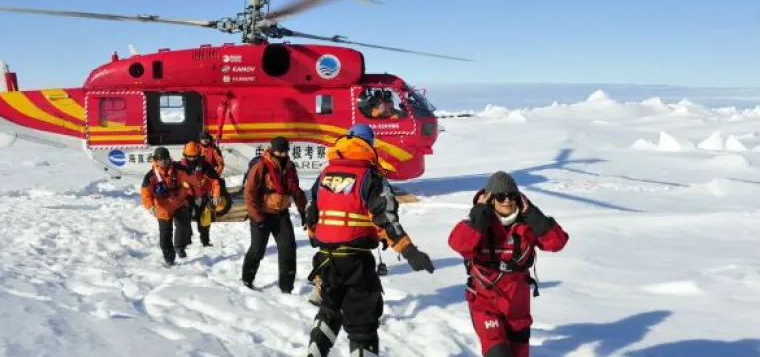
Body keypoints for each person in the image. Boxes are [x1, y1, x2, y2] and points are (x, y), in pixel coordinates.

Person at [303, 123, 435, 357]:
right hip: (356, 262)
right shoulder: (371, 177)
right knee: (363, 323)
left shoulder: (325, 174)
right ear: (369, 146)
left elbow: (311, 210)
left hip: (325, 259)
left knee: (329, 310)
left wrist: (315, 236)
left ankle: (315, 350)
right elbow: (386, 219)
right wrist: (409, 251)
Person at [448, 171, 569, 357]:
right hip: (485, 302)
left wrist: (534, 215)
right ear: (490, 199)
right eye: (500, 196)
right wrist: (478, 216)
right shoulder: (481, 224)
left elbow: (557, 243)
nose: (507, 201)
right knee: (498, 353)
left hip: (518, 305)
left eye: (512, 195)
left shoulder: (526, 225)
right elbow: (458, 244)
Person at [241, 136, 308, 293]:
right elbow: (249, 194)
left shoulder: (290, 167)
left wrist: (303, 210)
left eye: (286, 151)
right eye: (280, 151)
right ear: (273, 150)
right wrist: (257, 217)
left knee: (288, 248)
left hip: (281, 214)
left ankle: (286, 287)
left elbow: (296, 191)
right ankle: (247, 279)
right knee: (257, 250)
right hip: (262, 215)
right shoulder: (261, 166)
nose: (283, 155)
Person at [140, 147, 219, 266]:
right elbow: (145, 193)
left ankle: (179, 248)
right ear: (155, 160)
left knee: (183, 225)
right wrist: (150, 206)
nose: (164, 162)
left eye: (166, 159)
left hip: (179, 203)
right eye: (160, 160)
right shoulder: (151, 176)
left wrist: (198, 196)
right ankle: (169, 258)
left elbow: (193, 182)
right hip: (162, 208)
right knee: (165, 235)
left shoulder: (180, 169)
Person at [178, 141, 225, 247]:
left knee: (204, 219)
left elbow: (215, 181)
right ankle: (187, 241)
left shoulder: (205, 165)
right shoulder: (180, 166)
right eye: (189, 157)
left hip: (202, 195)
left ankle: (205, 241)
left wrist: (216, 194)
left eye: (194, 157)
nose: (191, 159)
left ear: (199, 154)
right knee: (185, 219)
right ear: (185, 155)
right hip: (186, 196)